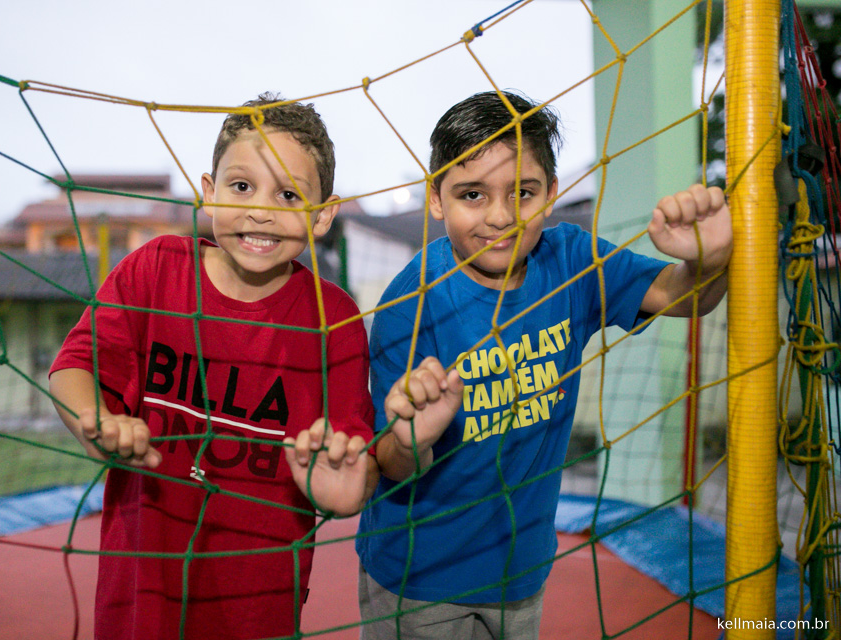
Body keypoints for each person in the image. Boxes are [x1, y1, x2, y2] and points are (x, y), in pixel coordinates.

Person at [355, 90, 732, 640]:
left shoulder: (570, 261)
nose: (500, 217)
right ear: (436, 199)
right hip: (421, 575)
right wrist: (413, 439)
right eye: (472, 194)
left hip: (522, 567)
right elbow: (390, 461)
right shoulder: (409, 302)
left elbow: (681, 295)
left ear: (551, 193)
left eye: (523, 192)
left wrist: (710, 259)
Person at [49, 93, 378, 640]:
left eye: (289, 195)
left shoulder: (334, 319)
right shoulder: (155, 270)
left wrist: (343, 489)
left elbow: (349, 458)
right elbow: (75, 365)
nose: (261, 210)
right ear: (209, 190)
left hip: (258, 599)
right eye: (242, 186)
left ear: (322, 215)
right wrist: (96, 421)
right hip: (143, 584)